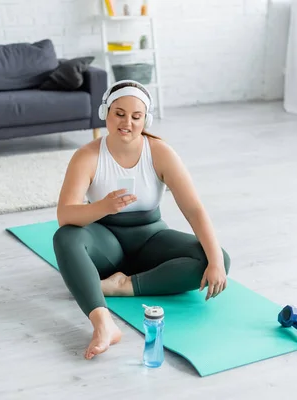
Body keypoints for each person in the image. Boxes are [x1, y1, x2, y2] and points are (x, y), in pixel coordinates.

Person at [53, 79, 231, 360]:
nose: (127, 122)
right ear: (105, 113)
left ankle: (123, 286)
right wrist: (104, 206)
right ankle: (103, 325)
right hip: (105, 244)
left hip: (151, 239)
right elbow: (65, 215)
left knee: (216, 258)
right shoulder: (86, 156)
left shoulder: (160, 152)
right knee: (65, 237)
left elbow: (194, 209)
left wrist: (217, 262)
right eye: (119, 114)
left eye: (136, 117)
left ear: (145, 119)